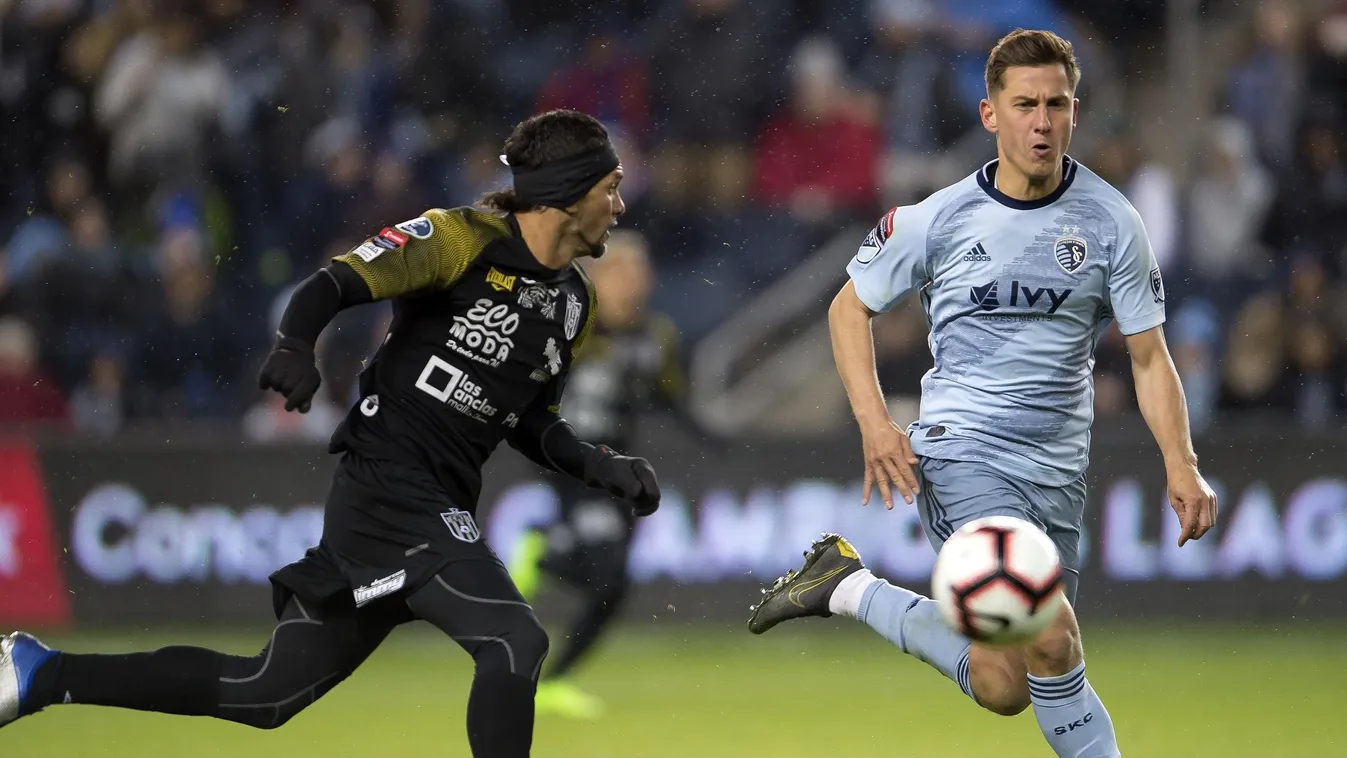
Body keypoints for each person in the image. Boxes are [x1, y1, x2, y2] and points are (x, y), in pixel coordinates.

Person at [0, 109, 662, 758]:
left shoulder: (575, 304)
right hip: (390, 481)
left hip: (427, 501)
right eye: (611, 188)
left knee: (265, 693)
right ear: (567, 195)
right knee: (514, 638)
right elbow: (332, 283)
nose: (620, 205)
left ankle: (42, 673)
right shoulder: (458, 239)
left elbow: (526, 417)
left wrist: (598, 464)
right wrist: (294, 346)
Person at [746, 30, 1217, 758]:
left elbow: (1149, 359)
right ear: (989, 114)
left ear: (1074, 111)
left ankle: (844, 586)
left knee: (1006, 685)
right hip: (962, 454)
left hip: (1055, 473)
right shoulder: (937, 219)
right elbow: (848, 307)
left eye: (1055, 104)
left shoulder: (1112, 222)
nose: (1041, 121)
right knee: (1053, 634)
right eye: (1024, 104)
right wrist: (875, 423)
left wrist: (1179, 462)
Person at [507, 229, 688, 719]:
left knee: (613, 585)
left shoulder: (656, 334)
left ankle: (547, 558)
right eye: (622, 270)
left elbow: (671, 397)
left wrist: (714, 438)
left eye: (640, 271)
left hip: (620, 469)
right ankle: (553, 673)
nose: (634, 281)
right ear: (600, 276)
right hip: (574, 463)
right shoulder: (572, 326)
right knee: (609, 576)